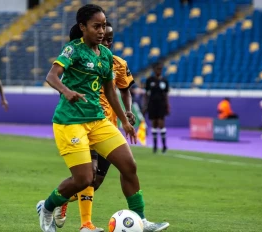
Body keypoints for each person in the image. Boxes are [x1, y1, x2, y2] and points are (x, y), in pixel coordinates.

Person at [36, 4, 169, 232]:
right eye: (96, 26)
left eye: (104, 25)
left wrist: (125, 121)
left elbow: (111, 92)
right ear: (83, 27)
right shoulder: (73, 50)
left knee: (129, 166)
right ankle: (47, 207)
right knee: (84, 179)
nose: (101, 31)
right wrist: (67, 92)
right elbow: (52, 76)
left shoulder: (106, 55)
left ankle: (141, 219)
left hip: (98, 121)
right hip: (70, 122)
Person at [52, 21, 137, 232]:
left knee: (95, 182)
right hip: (84, 122)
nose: (105, 40)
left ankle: (63, 198)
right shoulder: (80, 58)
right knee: (86, 176)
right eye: (102, 35)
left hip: (107, 125)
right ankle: (85, 224)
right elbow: (60, 80)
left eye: (109, 38)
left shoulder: (116, 62)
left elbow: (123, 90)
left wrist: (127, 114)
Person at [143, 62, 170, 154]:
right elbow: (146, 94)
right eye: (157, 69)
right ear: (154, 70)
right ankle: (154, 147)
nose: (159, 71)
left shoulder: (164, 81)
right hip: (152, 104)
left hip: (161, 105)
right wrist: (145, 105)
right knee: (154, 124)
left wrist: (168, 105)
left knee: (161, 123)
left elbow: (166, 94)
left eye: (160, 69)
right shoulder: (149, 80)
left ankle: (164, 146)